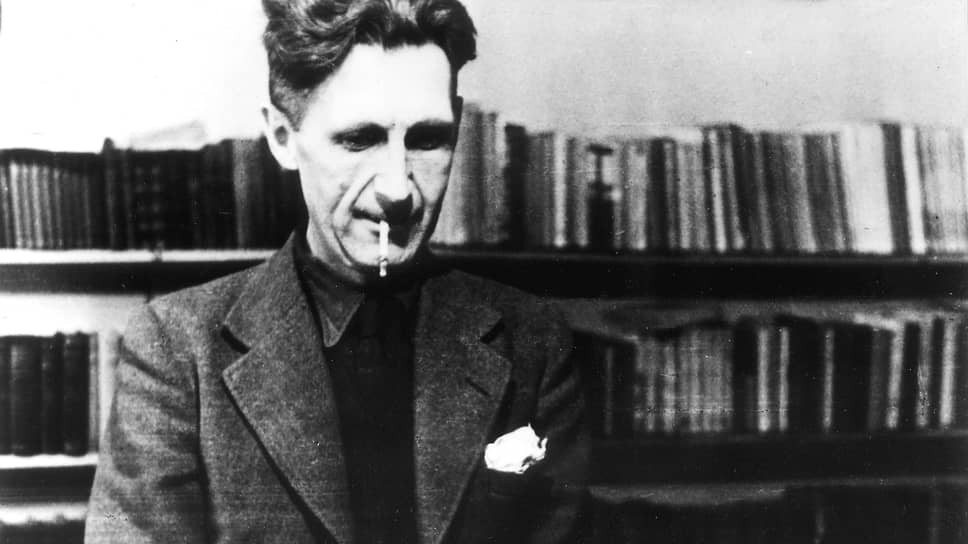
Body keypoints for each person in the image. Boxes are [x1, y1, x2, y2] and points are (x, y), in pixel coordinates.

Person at [85, 0, 589, 542]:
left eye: (427, 139)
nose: (396, 189)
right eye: (358, 139)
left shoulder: (534, 343)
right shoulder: (176, 350)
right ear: (283, 137)